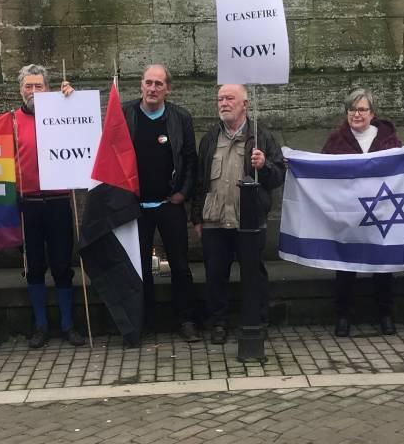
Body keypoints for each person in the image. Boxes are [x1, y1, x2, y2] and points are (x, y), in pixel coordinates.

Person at [191, 84, 287, 345]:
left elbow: (278, 176)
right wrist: (197, 217)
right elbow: (200, 181)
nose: (223, 103)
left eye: (229, 98)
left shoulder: (262, 137)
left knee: (253, 273)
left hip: (249, 220)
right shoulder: (210, 138)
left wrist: (263, 165)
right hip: (215, 220)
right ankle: (219, 323)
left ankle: (256, 320)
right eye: (220, 99)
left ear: (245, 104)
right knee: (215, 275)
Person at [122, 65, 200, 341]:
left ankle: (186, 319)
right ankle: (145, 320)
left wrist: (183, 193)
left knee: (180, 265)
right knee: (140, 267)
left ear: (168, 89)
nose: (152, 88)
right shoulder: (125, 114)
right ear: (140, 86)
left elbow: (190, 160)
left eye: (158, 84)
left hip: (170, 204)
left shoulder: (180, 118)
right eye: (148, 83)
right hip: (135, 207)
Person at [320, 89, 404, 337]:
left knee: (383, 266)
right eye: (352, 109)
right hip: (348, 215)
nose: (357, 114)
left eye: (362, 109)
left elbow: (400, 170)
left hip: (381, 212)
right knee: (345, 266)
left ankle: (385, 314)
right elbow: (322, 171)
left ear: (372, 113)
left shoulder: (389, 139)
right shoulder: (336, 141)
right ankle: (344, 315)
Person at [13, 64, 86, 348]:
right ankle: (40, 324)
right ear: (21, 90)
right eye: (28, 86)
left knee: (61, 264)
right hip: (28, 202)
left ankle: (68, 323)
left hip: (58, 201)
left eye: (38, 86)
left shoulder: (63, 111)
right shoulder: (12, 121)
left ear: (48, 88)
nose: (33, 91)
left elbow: (83, 130)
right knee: (33, 266)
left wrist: (74, 101)